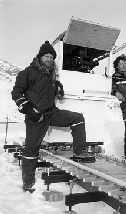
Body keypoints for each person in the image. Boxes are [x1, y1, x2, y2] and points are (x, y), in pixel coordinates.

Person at [11, 41, 90, 193]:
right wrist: (31, 111)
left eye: (51, 57)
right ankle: (28, 183)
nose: (49, 59)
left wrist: (59, 89)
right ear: (40, 57)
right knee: (31, 150)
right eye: (46, 56)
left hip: (51, 113)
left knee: (78, 118)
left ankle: (79, 152)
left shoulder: (51, 75)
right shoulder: (28, 72)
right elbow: (16, 93)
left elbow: (52, 87)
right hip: (36, 116)